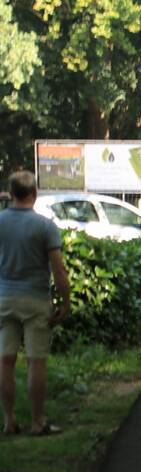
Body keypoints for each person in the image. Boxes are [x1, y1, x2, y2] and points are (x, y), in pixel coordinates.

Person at [0, 171, 71, 436]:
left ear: (10, 193)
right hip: (35, 300)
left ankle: (9, 421)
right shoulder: (45, 226)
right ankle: (37, 422)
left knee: (5, 362)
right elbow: (58, 269)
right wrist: (65, 301)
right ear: (34, 194)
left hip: (4, 299)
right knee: (35, 362)